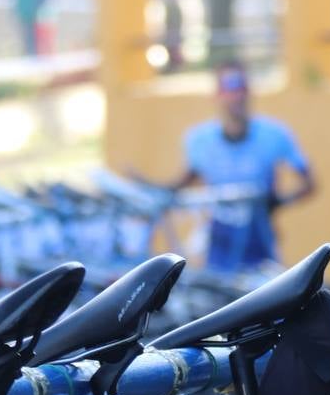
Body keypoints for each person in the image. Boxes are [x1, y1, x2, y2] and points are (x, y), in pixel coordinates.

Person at [133, 61, 315, 272]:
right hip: (218, 246)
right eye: (228, 90)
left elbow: (309, 184)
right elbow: (183, 183)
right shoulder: (199, 140)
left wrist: (276, 202)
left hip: (261, 243)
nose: (236, 97)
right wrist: (148, 186)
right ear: (217, 95)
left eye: (241, 89)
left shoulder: (274, 135)